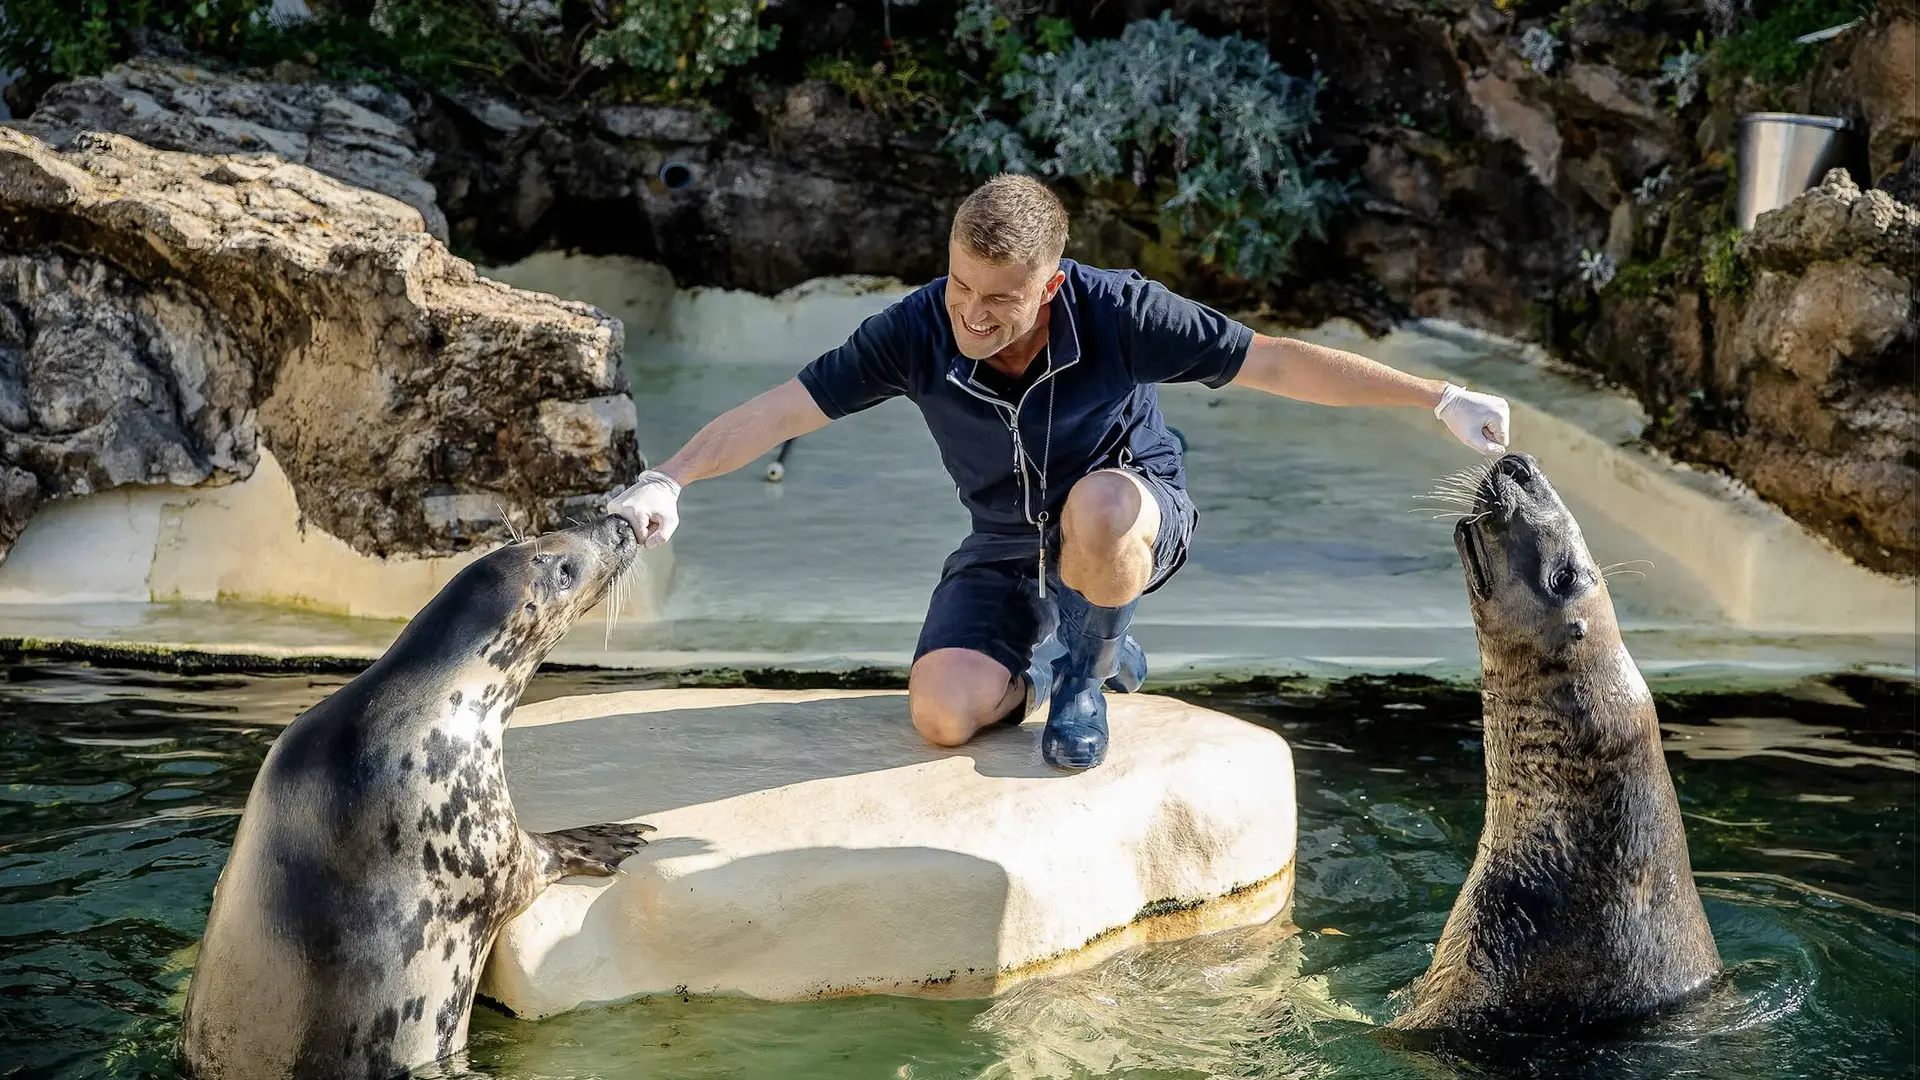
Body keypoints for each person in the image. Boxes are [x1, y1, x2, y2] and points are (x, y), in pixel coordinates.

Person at [608, 174, 1510, 771]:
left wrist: (1434, 396)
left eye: (999, 297)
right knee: (940, 716)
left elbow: (1274, 362)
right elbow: (781, 411)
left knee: (1104, 503)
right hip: (1004, 542)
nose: (971, 311)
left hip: (1129, 511)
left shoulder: (1119, 312)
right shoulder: (918, 328)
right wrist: (670, 478)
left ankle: (1087, 671)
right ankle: (1052, 662)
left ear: (1050, 284)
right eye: (961, 284)